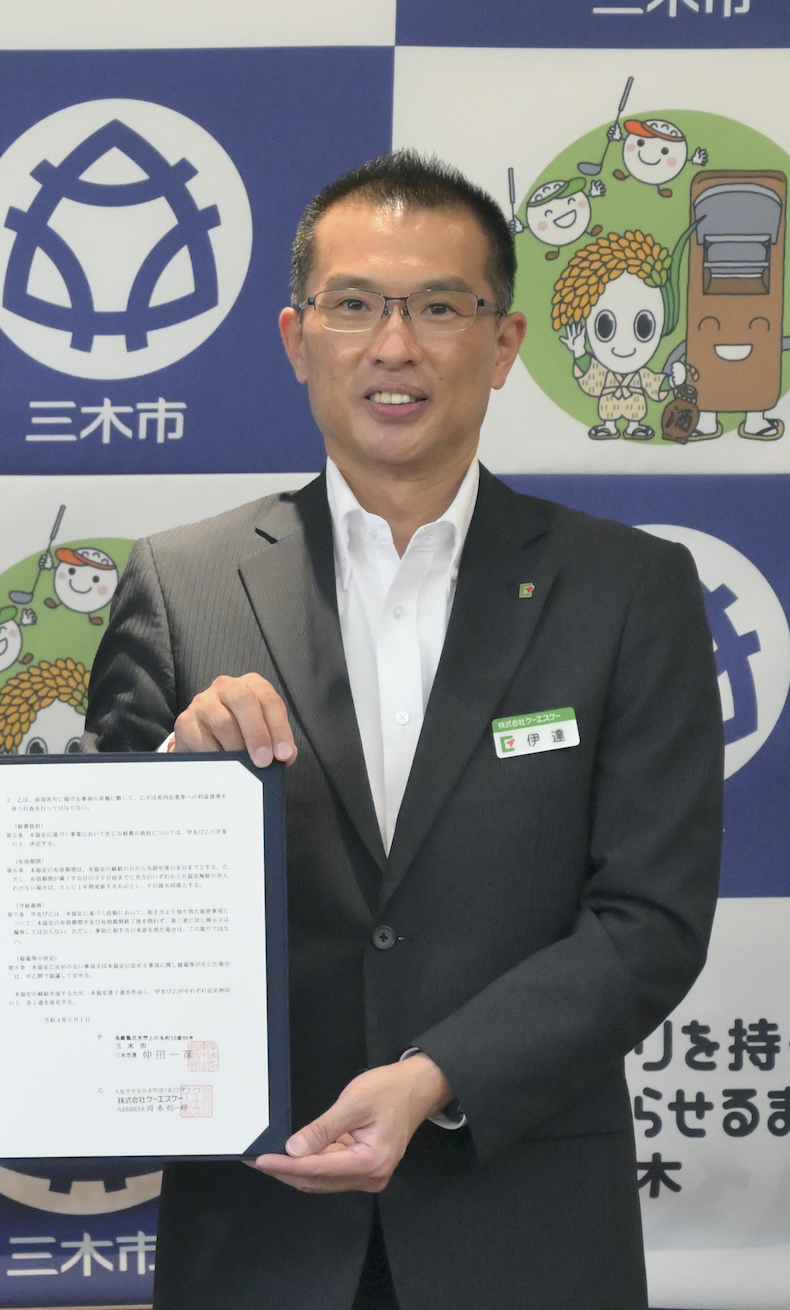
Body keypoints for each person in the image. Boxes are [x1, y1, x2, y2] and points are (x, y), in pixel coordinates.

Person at [87, 150, 722, 1310]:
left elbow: (651, 918)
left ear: (504, 342)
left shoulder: (629, 589)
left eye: (439, 306)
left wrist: (438, 1074)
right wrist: (176, 781)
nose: (395, 345)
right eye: (354, 305)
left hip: (525, 1226)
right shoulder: (184, 585)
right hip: (258, 1230)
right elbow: (84, 916)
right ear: (297, 339)